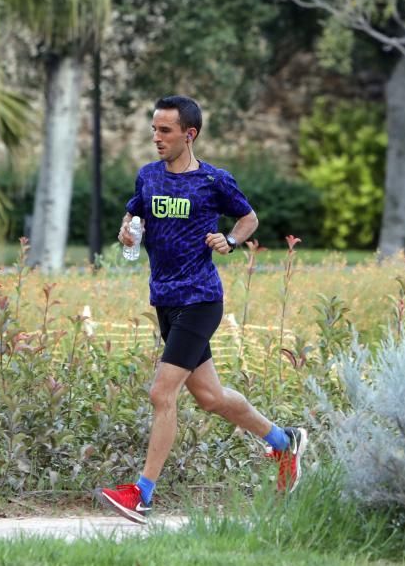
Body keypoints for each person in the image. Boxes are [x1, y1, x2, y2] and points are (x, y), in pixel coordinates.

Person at [95, 95, 308, 525]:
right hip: (166, 302)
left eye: (165, 131)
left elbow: (249, 218)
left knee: (161, 393)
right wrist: (127, 234)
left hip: (201, 299)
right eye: (154, 129)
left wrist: (229, 241)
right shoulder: (148, 177)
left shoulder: (213, 180)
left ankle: (142, 494)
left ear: (188, 134)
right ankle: (284, 442)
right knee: (210, 397)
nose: (156, 138)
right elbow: (133, 219)